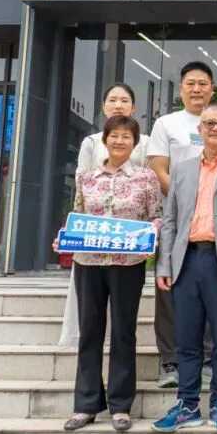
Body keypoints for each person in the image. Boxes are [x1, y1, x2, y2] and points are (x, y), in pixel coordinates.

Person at [152, 103, 217, 433]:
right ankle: (187, 405)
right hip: (186, 261)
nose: (215, 128)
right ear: (199, 129)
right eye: (209, 123)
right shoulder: (182, 170)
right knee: (187, 338)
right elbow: (170, 220)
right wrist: (164, 264)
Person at [63, 115, 161, 433]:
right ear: (105, 140)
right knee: (90, 331)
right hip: (88, 262)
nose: (120, 141)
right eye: (114, 135)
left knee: (123, 332)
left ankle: (120, 406)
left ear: (135, 143)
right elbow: (77, 215)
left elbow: (157, 216)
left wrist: (150, 236)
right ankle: (86, 404)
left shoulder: (146, 178)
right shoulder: (87, 178)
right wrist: (65, 236)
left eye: (126, 136)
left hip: (127, 264)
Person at [147, 62, 217, 387]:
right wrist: (186, 198)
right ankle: (171, 361)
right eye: (191, 83)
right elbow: (159, 168)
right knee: (169, 292)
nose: (197, 89)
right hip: (176, 218)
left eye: (203, 83)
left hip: (216, 225)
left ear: (212, 89)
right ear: (182, 87)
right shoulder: (166, 123)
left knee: (215, 291)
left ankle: (209, 358)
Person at [57, 83, 150, 350]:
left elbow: (151, 203)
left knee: (123, 324)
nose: (118, 105)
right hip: (92, 244)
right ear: (103, 106)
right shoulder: (91, 143)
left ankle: (121, 379)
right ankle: (87, 378)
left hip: (127, 247)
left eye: (124, 100)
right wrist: (72, 233)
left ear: (133, 107)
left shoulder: (146, 144)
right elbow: (81, 191)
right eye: (112, 100)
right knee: (90, 321)